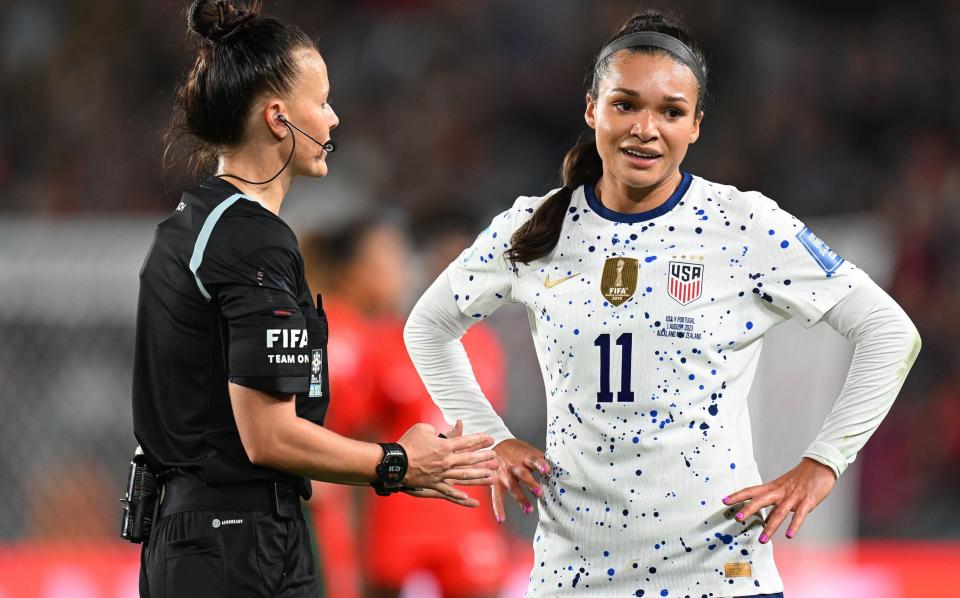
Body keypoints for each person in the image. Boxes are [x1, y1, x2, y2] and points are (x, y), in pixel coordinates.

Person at [403, 9, 921, 598]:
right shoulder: (533, 226)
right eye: (625, 104)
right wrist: (493, 439)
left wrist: (822, 463)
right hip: (574, 575)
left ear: (695, 125)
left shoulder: (742, 224)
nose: (645, 128)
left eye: (670, 112)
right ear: (591, 109)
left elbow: (889, 332)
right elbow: (428, 327)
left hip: (719, 575)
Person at [131, 2, 498, 597]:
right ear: (279, 117)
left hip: (194, 539)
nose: (333, 119)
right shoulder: (253, 240)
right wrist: (398, 464)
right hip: (238, 546)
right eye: (322, 101)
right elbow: (268, 437)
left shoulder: (190, 222)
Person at [306, 215, 514, 598]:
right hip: (378, 535)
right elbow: (338, 440)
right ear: (356, 269)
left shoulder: (476, 345)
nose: (401, 269)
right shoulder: (347, 338)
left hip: (462, 531)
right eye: (391, 257)